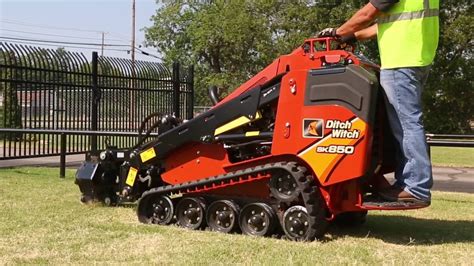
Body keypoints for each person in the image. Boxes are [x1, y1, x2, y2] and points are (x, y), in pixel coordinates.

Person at [318, 0, 439, 205]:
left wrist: (336, 34)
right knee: (403, 125)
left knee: (407, 125)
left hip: (400, 61)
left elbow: (367, 14)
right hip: (417, 59)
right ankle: (405, 184)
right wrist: (352, 35)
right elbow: (385, 25)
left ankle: (415, 187)